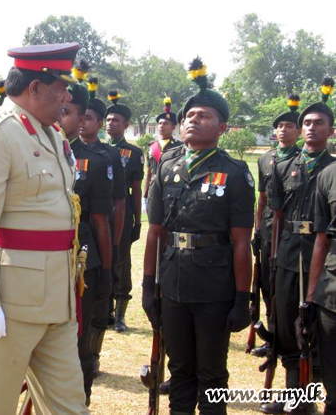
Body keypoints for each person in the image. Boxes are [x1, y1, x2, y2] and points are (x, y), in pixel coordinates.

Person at [0, 42, 90, 415]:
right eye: (61, 88)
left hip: (57, 296)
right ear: (35, 87)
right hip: (11, 301)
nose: (67, 97)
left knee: (69, 405)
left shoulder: (52, 134)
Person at [143, 58, 255, 415]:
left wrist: (242, 298)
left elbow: (242, 241)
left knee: (211, 374)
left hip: (214, 287)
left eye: (203, 116)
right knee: (179, 370)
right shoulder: (167, 166)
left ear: (222, 127)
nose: (193, 120)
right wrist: (148, 286)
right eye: (189, 115)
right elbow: (155, 232)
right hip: (173, 283)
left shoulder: (234, 173)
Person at [265, 77, 335, 414]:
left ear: (330, 131)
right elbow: (277, 216)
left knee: (319, 328)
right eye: (306, 122)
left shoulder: (332, 169)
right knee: (287, 324)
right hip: (290, 253)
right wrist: (274, 257)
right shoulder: (283, 167)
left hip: (323, 256)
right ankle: (294, 391)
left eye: (319, 123)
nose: (311, 128)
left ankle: (315, 392)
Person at [60, 78, 113, 406]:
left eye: (66, 111)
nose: (58, 116)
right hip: (40, 258)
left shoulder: (95, 160)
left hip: (82, 257)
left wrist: (106, 271)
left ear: (81, 120)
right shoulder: (38, 150)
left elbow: (102, 220)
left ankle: (81, 400)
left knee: (79, 338)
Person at [79, 80, 126, 374]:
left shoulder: (108, 156)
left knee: (96, 302)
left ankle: (91, 355)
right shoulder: (61, 149)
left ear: (98, 124)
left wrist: (115, 245)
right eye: (79, 116)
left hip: (96, 238)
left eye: (88, 118)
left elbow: (118, 205)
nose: (82, 122)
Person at [250, 95, 301, 358]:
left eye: (289, 126)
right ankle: (272, 337)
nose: (283, 130)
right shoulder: (265, 158)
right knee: (267, 283)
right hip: (269, 228)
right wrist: (258, 228)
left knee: (288, 286)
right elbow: (261, 197)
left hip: (291, 230)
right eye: (279, 126)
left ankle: (290, 336)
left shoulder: (301, 159)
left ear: (298, 131)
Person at [105, 90, 144, 333]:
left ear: (126, 124)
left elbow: (137, 190)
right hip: (102, 209)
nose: (111, 123)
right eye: (108, 120)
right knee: (103, 261)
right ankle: (105, 310)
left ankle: (120, 315)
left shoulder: (133, 152)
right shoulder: (98, 149)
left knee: (120, 261)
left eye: (116, 120)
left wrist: (137, 221)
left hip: (123, 211)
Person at [303, 142, 336, 415]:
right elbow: (321, 240)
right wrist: (311, 298)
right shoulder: (329, 175)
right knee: (333, 386)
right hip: (332, 294)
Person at [143, 97, 182, 212]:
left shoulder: (180, 147)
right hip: (154, 189)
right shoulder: (152, 146)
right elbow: (148, 174)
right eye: (160, 123)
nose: (161, 126)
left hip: (172, 189)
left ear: (173, 127)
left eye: (165, 123)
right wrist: (144, 196)